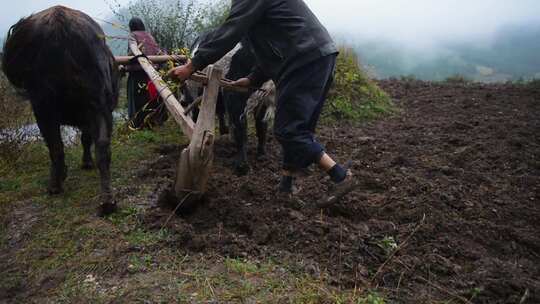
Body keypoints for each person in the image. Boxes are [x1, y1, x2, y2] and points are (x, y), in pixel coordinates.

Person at [168, 0, 357, 205]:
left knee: (289, 131)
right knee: (299, 129)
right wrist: (253, 79)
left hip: (302, 59)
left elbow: (231, 31)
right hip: (315, 56)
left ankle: (340, 175)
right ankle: (286, 187)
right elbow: (270, 44)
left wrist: (192, 65)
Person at [125, 17, 167, 129]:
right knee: (153, 98)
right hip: (152, 73)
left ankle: (139, 124)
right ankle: (156, 121)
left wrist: (124, 66)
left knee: (139, 100)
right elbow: (158, 52)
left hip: (138, 74)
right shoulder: (149, 36)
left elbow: (132, 53)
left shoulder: (132, 36)